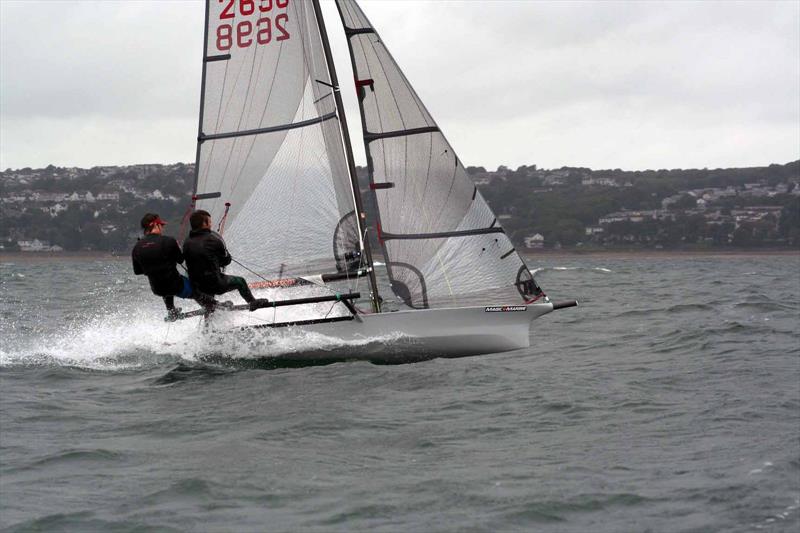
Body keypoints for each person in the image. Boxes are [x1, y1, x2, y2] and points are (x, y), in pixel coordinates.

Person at [131, 213, 218, 320]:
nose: (162, 228)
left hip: (158, 289)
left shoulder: (137, 247)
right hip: (177, 286)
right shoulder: (168, 241)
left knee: (163, 281)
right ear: (155, 225)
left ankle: (171, 310)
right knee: (198, 292)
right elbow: (181, 260)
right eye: (161, 225)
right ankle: (212, 305)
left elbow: (137, 271)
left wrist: (153, 267)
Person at [182, 210, 268, 311]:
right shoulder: (214, 240)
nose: (211, 224)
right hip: (215, 284)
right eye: (209, 222)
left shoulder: (186, 242)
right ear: (204, 223)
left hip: (197, 287)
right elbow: (226, 261)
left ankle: (208, 323)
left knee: (209, 303)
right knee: (240, 282)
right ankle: (252, 302)